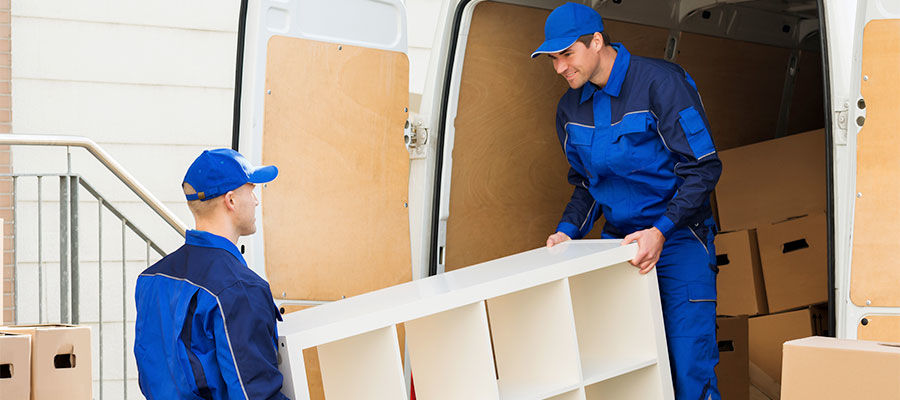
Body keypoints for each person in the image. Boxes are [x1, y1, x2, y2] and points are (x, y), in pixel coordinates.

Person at [533, 3, 723, 399]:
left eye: (567, 54)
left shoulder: (662, 84)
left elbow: (703, 168)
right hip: (619, 248)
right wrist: (566, 233)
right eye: (553, 58)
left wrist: (661, 230)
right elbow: (587, 184)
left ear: (597, 42)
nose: (560, 68)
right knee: (630, 372)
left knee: (688, 367)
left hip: (679, 241)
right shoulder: (568, 109)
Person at [134, 148, 288, 400]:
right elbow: (255, 394)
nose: (256, 201)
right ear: (231, 200)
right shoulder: (240, 288)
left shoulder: (151, 279)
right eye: (251, 190)